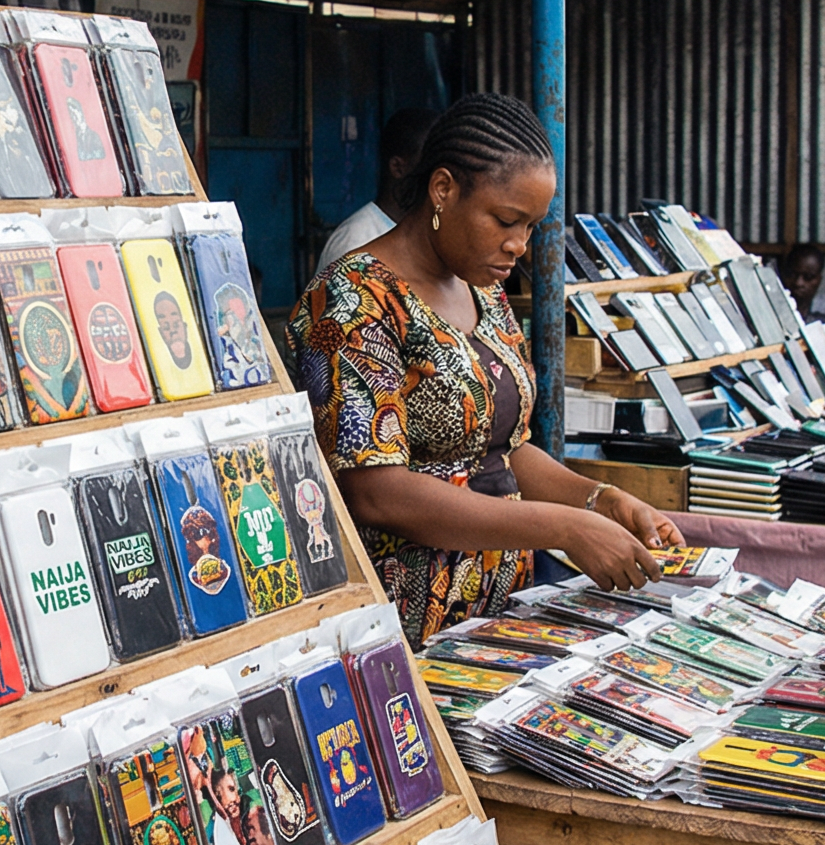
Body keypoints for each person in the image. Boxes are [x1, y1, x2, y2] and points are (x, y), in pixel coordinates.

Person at [291, 94, 681, 646]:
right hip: (398, 625)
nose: (519, 245)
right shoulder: (352, 299)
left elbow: (504, 449)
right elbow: (377, 491)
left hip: (496, 614)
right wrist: (565, 527)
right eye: (505, 220)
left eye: (531, 227)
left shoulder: (485, 292)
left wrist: (598, 500)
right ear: (443, 189)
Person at [318, 107, 441, 274]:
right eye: (430, 165)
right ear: (398, 167)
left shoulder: (431, 237)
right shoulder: (356, 242)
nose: (440, 176)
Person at [779, 244, 825, 339]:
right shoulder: (773, 308)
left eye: (808, 277)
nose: (798, 283)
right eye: (793, 275)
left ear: (819, 279)